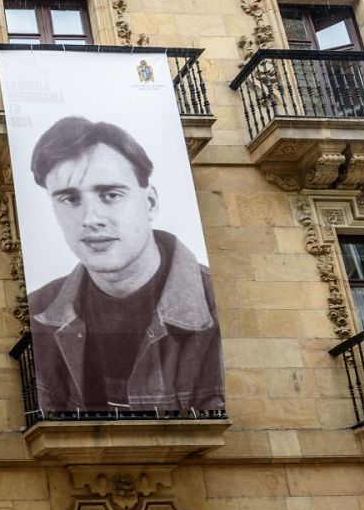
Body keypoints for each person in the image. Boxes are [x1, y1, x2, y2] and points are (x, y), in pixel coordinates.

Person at [26, 115, 224, 413]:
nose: (91, 219)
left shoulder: (218, 305)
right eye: (69, 199)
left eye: (110, 195)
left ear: (150, 203)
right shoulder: (36, 312)